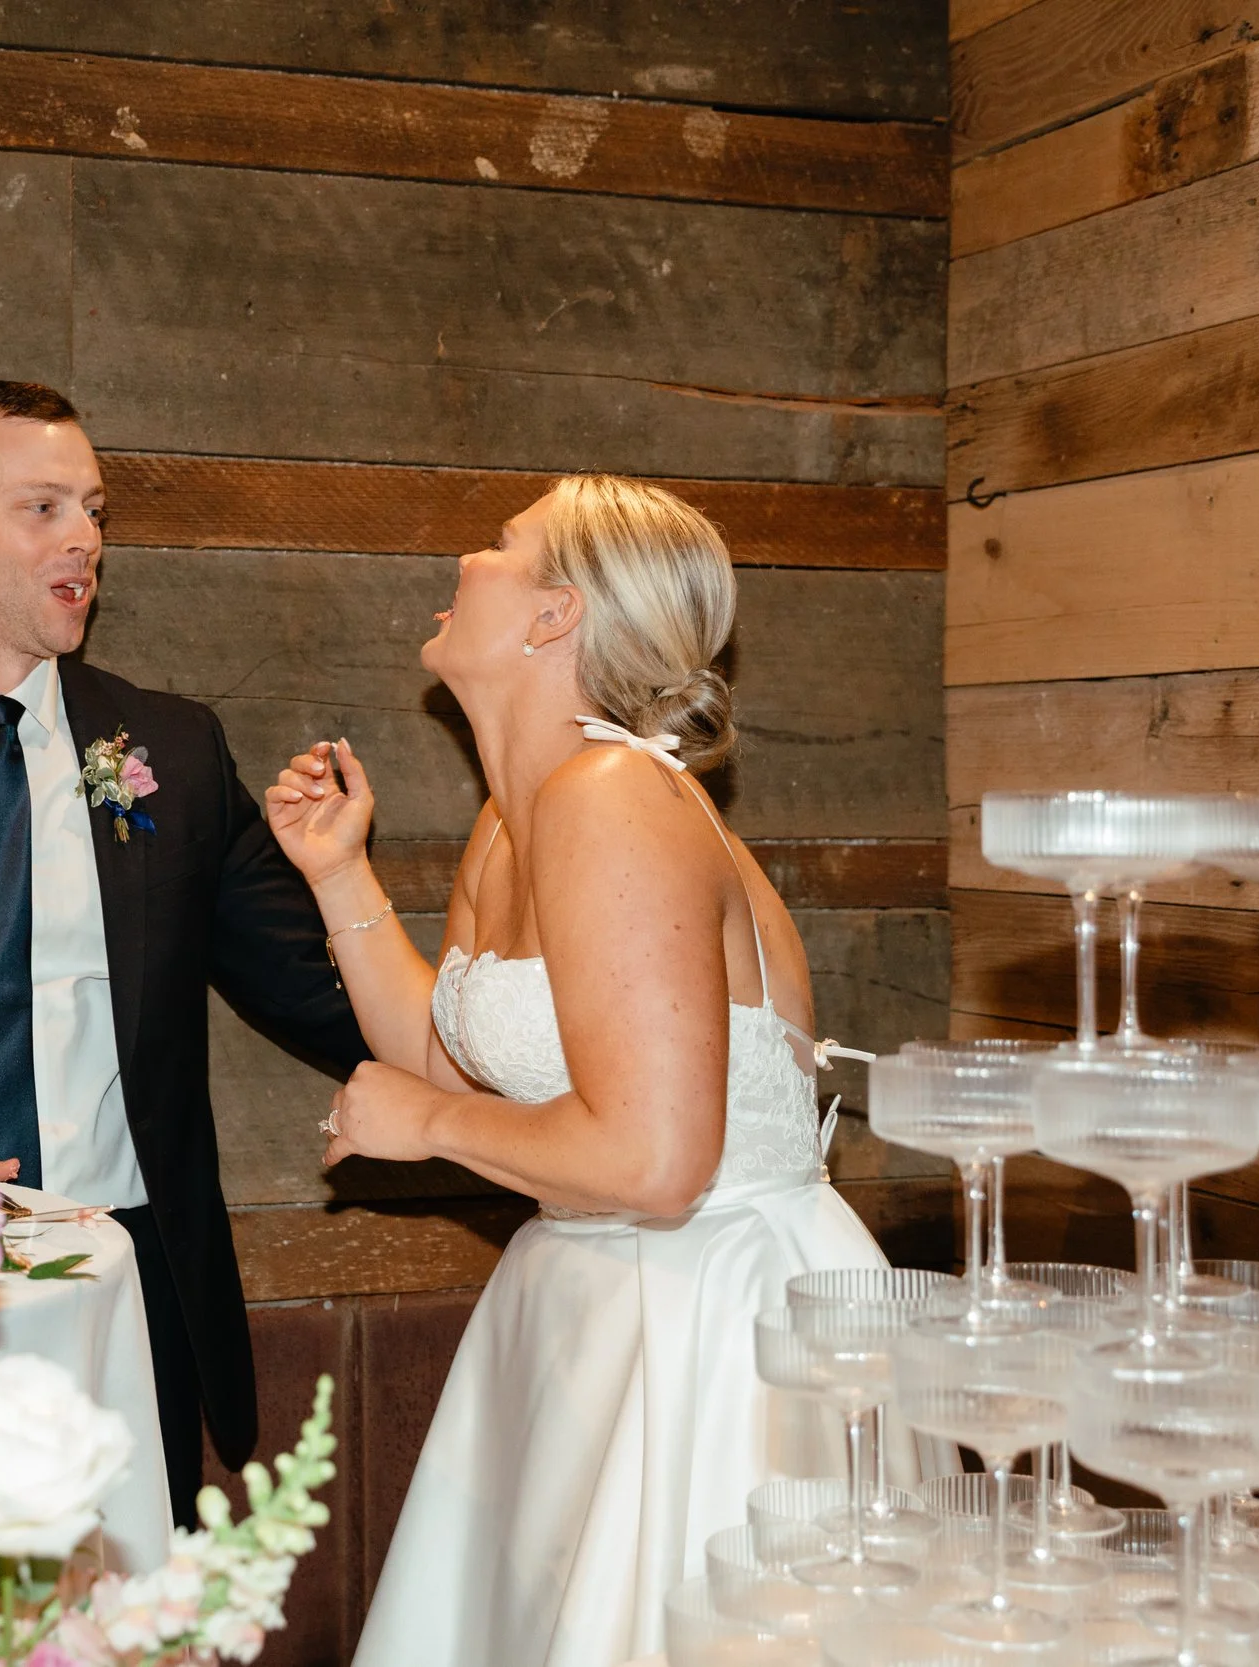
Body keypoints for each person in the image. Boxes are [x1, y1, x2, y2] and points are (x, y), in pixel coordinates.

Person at [265, 474, 890, 1666]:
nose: (466, 556)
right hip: (591, 1298)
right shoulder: (515, 817)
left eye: (500, 545)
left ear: (558, 614)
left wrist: (430, 1122)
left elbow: (655, 1163)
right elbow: (449, 1056)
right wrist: (338, 874)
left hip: (709, 1322)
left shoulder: (613, 796)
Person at [0, 380, 368, 1524]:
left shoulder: (172, 750)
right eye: (41, 507)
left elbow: (319, 995)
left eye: (92, 508)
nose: (85, 537)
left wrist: (504, 1039)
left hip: (118, 1275)